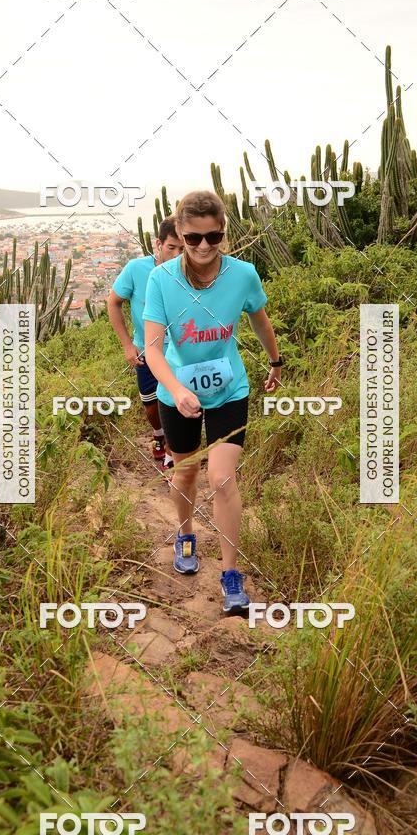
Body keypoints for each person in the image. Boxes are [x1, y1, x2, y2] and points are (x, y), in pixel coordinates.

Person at [143, 190, 282, 615]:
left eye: (213, 236)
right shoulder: (161, 280)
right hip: (177, 391)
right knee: (185, 473)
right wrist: (177, 390)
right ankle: (185, 533)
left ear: (224, 232)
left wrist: (276, 361)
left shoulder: (243, 275)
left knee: (222, 479)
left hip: (229, 390)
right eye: (193, 238)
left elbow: (259, 320)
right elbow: (153, 349)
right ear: (180, 234)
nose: (204, 246)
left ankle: (230, 574)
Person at [108, 217, 184, 469]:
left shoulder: (191, 272)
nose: (177, 255)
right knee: (152, 407)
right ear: (158, 244)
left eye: (182, 248)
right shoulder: (136, 269)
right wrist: (127, 345)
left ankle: (172, 458)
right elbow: (113, 302)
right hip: (147, 351)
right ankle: (159, 435)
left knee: (174, 403)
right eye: (171, 247)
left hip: (180, 353)